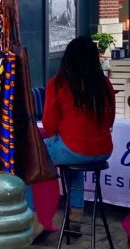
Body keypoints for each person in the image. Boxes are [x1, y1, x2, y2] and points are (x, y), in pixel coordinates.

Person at [41, 36, 115, 223]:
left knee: (26, 156)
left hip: (75, 149)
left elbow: (48, 124)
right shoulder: (104, 84)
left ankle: (33, 216)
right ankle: (76, 215)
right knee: (72, 161)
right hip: (104, 150)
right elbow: (110, 119)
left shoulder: (57, 84)